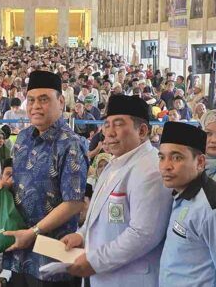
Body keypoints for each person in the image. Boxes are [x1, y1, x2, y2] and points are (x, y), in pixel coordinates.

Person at [60, 95, 171, 286]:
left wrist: (96, 261)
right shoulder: (115, 162)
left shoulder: (150, 170)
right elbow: (97, 214)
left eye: (118, 125)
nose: (109, 133)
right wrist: (81, 235)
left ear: (142, 130)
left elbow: (143, 234)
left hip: (130, 279)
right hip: (104, 276)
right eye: (107, 124)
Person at [3, 71, 88, 287]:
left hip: (53, 256)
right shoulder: (23, 138)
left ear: (60, 102)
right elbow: (22, 177)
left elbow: (74, 202)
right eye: (31, 100)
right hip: (21, 253)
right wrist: (9, 180)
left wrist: (33, 233)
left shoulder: (70, 144)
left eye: (44, 99)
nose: (35, 106)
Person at [157, 121, 216, 286]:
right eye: (162, 157)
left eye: (177, 158)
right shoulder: (180, 193)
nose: (166, 166)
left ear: (200, 163)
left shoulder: (212, 210)